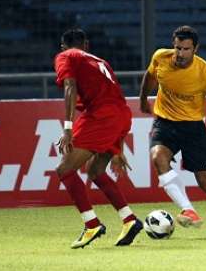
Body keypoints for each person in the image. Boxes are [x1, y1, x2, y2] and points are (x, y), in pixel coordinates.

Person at [139, 25, 206, 237]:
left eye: (186, 49)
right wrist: (144, 99)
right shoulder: (161, 57)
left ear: (195, 49)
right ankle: (188, 210)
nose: (180, 54)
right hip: (165, 123)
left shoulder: (204, 72)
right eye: (178, 48)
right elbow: (150, 77)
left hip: (192, 128)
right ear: (174, 45)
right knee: (158, 157)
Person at [54, 28, 143, 249]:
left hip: (101, 116)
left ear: (63, 46)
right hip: (121, 115)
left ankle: (92, 224)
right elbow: (114, 97)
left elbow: (69, 86)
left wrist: (67, 127)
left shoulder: (66, 56)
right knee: (95, 171)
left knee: (64, 169)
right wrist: (118, 147)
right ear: (86, 45)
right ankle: (129, 219)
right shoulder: (99, 61)